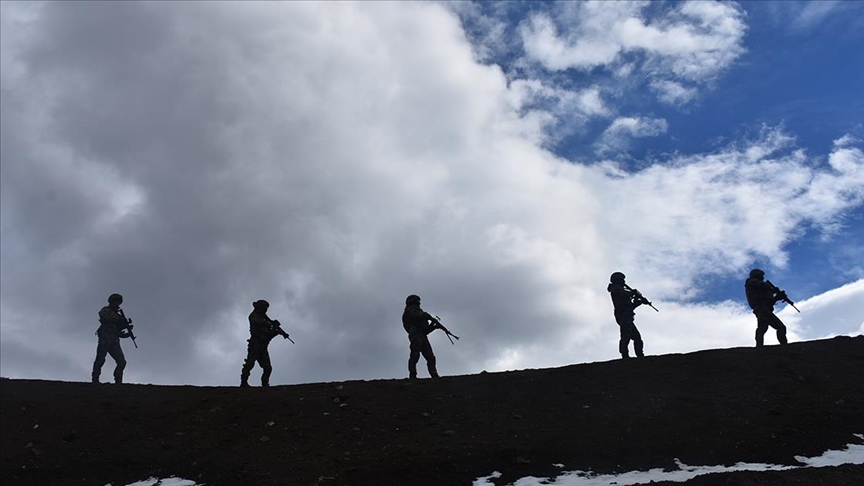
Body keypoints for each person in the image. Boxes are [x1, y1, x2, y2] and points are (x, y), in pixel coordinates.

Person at [240, 299, 290, 387]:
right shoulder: (254, 316)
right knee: (250, 363)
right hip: (255, 344)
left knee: (267, 367)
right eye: (264, 308)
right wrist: (271, 324)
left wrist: (278, 332)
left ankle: (265, 384)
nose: (265, 310)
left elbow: (269, 334)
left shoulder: (264, 318)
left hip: (263, 346)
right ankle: (244, 382)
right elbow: (258, 322)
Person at [92, 293, 133, 384]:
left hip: (114, 339)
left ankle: (118, 381)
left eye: (118, 303)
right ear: (111, 302)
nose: (117, 304)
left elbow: (118, 330)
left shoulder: (118, 315)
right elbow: (104, 317)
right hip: (105, 336)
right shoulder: (106, 310)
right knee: (101, 357)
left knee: (121, 361)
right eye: (116, 302)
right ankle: (95, 379)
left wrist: (126, 330)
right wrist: (118, 319)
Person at [607, 272, 647, 359]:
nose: (624, 281)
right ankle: (625, 355)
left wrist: (639, 301)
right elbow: (625, 295)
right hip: (623, 316)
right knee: (626, 335)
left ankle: (639, 355)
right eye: (622, 279)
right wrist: (633, 293)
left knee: (636, 337)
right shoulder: (616, 289)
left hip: (626, 316)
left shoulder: (620, 290)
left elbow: (630, 307)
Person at [744, 268, 788, 347]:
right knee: (763, 327)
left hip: (765, 308)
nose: (763, 278)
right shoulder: (752, 282)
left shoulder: (761, 287)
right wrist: (773, 290)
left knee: (780, 327)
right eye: (761, 275)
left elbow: (769, 301)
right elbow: (762, 286)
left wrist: (777, 297)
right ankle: (759, 346)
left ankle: (784, 345)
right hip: (761, 308)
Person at [402, 294, 440, 379]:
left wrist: (434, 326)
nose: (419, 303)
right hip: (415, 335)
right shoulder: (410, 310)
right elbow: (418, 316)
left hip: (422, 336)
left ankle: (434, 374)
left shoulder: (419, 312)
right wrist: (428, 316)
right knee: (415, 354)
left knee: (430, 356)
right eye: (417, 301)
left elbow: (425, 330)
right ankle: (412, 374)